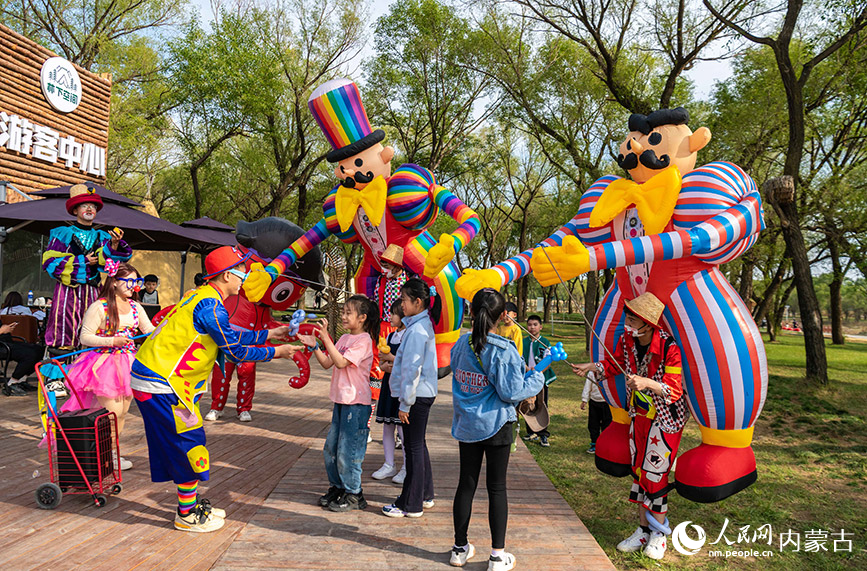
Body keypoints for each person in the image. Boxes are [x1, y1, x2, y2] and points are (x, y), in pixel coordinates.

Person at [130, 246, 298, 533]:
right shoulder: (210, 306)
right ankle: (187, 514)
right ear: (225, 276)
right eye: (242, 270)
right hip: (162, 384)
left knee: (185, 442)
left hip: (161, 381)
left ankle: (191, 505)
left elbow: (227, 332)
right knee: (188, 443)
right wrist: (277, 352)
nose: (245, 276)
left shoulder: (205, 298)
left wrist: (269, 333)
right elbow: (234, 350)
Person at [572, 293, 687, 560]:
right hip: (639, 414)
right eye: (628, 316)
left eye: (633, 318)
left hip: (666, 419)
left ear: (648, 323)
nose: (628, 322)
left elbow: (675, 390)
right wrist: (593, 366)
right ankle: (643, 530)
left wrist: (647, 383)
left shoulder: (670, 348)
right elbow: (615, 365)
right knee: (639, 472)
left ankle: (659, 535)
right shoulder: (627, 341)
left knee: (656, 474)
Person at [448, 288, 545, 570]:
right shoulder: (503, 350)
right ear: (503, 316)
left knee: (465, 485)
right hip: (497, 426)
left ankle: (459, 548)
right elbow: (511, 392)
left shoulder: (460, 345)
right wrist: (537, 377)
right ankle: (497, 556)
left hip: (467, 424)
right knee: (497, 489)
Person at [62, 261, 155, 470]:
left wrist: (167, 326)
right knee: (109, 414)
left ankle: (111, 453)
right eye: (129, 281)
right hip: (104, 366)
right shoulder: (99, 306)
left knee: (122, 413)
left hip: (129, 364)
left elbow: (149, 331)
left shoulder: (135, 307)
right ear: (114, 282)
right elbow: (84, 337)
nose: (134, 286)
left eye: (136, 281)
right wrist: (112, 341)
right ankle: (101, 455)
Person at [299, 295, 378, 512]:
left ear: (362, 317)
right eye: (342, 312)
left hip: (357, 404)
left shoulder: (364, 341)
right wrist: (316, 345)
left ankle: (354, 493)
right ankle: (338, 487)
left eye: (348, 313)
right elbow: (327, 362)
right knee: (330, 449)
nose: (343, 316)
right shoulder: (343, 340)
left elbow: (342, 362)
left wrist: (325, 338)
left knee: (348, 451)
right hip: (341, 401)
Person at [42, 184, 131, 348]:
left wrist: (114, 245)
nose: (90, 209)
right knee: (65, 334)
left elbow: (110, 267)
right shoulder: (63, 233)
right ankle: (61, 371)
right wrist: (82, 261)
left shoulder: (103, 236)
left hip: (94, 292)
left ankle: (88, 369)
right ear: (75, 210)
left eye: (93, 206)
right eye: (85, 205)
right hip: (68, 294)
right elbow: (50, 262)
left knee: (96, 330)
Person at [382, 278, 438, 518]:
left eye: (404, 300)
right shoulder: (419, 325)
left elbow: (412, 370)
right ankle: (424, 494)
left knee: (413, 447)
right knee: (417, 445)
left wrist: (405, 403)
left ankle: (410, 503)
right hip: (421, 393)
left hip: (416, 396)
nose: (401, 304)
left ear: (417, 302)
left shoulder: (417, 330)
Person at [371, 299, 406, 483]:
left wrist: (391, 361)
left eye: (393, 313)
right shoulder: (391, 336)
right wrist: (384, 363)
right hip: (388, 384)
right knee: (387, 425)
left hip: (402, 388)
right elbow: (385, 365)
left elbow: (407, 365)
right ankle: (389, 464)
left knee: (402, 428)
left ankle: (406, 467)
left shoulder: (409, 336)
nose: (390, 317)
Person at [520, 315, 556, 447]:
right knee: (528, 404)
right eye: (529, 325)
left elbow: (549, 360)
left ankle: (543, 434)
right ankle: (531, 431)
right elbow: (519, 358)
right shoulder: (523, 342)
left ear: (540, 326)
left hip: (540, 379)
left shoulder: (544, 342)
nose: (532, 327)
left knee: (541, 404)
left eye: (535, 324)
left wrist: (538, 371)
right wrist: (526, 369)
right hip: (527, 378)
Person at [0, 321, 43, 396]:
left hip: (6, 342)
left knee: (39, 350)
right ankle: (11, 384)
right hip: (2, 347)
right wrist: (2, 331)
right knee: (29, 355)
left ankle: (21, 380)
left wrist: (7, 328)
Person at [581, 371, 612, 454]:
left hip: (607, 403)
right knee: (593, 424)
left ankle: (605, 445)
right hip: (594, 402)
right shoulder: (592, 373)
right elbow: (587, 386)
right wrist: (584, 400)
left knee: (607, 424)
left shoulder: (611, 371)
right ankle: (594, 444)